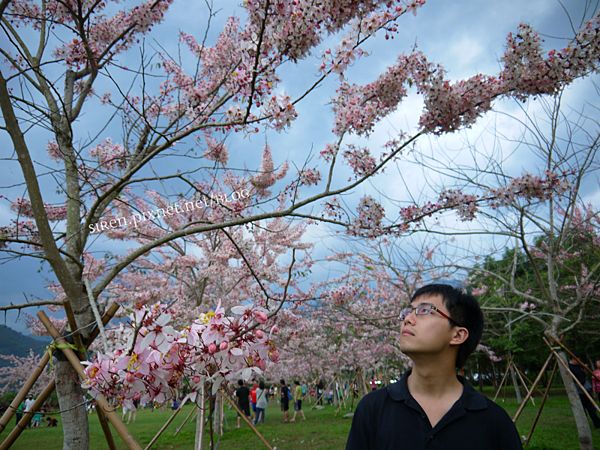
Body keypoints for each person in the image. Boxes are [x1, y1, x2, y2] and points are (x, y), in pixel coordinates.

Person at [346, 284, 523, 450]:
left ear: (457, 335)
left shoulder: (494, 422)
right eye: (408, 311)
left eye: (424, 310)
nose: (407, 319)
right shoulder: (372, 409)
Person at [568, 354, 600, 429]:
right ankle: (584, 424)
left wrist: (585, 369)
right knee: (581, 409)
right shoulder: (568, 367)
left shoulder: (580, 365)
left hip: (586, 388)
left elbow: (584, 375)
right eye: (577, 359)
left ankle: (597, 423)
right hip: (577, 390)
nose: (579, 361)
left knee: (591, 407)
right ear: (573, 359)